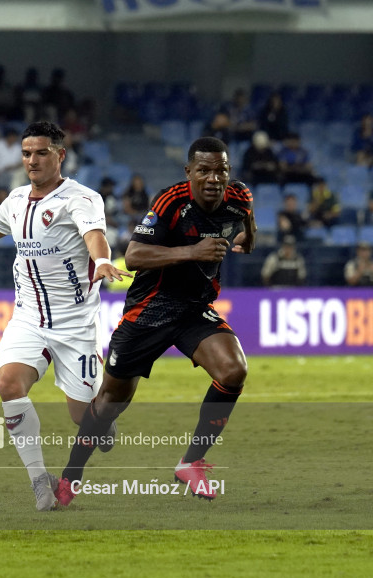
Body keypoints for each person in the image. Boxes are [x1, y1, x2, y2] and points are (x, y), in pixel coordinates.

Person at [0, 121, 130, 511]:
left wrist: (103, 260)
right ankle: (41, 481)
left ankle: (102, 422)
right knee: (8, 383)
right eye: (27, 153)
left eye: (41, 153)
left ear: (60, 154)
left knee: (83, 418)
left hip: (75, 326)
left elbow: (94, 235)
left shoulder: (82, 198)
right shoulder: (17, 199)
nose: (32, 160)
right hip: (28, 319)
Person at [55, 137, 256, 505]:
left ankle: (191, 462)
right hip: (149, 310)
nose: (214, 178)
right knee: (110, 403)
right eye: (204, 170)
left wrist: (247, 236)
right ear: (189, 172)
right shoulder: (171, 201)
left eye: (221, 170)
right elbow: (132, 257)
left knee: (233, 371)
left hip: (194, 309)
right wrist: (193, 251)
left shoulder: (239, 198)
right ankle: (71, 475)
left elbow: (245, 223)